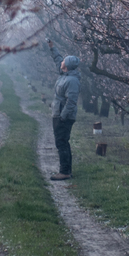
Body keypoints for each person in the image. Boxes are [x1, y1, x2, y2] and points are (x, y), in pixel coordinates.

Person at [47, 40, 80, 180]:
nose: (61, 63)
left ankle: (64, 171)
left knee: (61, 142)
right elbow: (58, 60)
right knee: (62, 141)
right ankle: (67, 170)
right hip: (59, 113)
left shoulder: (72, 80)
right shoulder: (65, 74)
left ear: (67, 66)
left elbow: (71, 101)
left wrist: (63, 117)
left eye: (64, 62)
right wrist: (52, 48)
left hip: (63, 116)